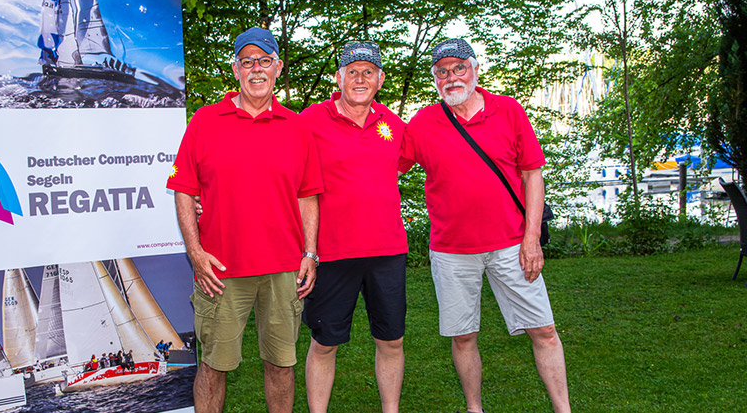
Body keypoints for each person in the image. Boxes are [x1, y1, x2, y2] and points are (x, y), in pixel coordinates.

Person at [399, 38, 571, 413]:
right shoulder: (424, 123)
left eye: (459, 68)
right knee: (463, 337)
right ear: (435, 78)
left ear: (475, 70)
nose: (451, 77)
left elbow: (533, 176)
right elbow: (382, 164)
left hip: (512, 245)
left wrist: (532, 239)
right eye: (442, 71)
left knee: (543, 330)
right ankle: (474, 408)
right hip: (451, 251)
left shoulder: (507, 110)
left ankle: (563, 408)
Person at [167, 26, 324, 413]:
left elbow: (308, 195)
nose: (257, 69)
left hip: (284, 269)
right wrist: (195, 253)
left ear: (277, 68)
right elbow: (184, 190)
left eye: (265, 61)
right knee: (213, 367)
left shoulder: (297, 127)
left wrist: (310, 254)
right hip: (221, 269)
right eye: (248, 61)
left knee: (281, 365)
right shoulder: (204, 122)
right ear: (236, 69)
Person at [300, 41, 408, 413]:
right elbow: (279, 166)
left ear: (379, 79)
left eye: (367, 72)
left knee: (391, 340)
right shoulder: (311, 120)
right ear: (339, 77)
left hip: (388, 252)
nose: (359, 78)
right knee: (324, 342)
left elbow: (416, 163)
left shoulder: (393, 125)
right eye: (352, 71)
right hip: (332, 253)